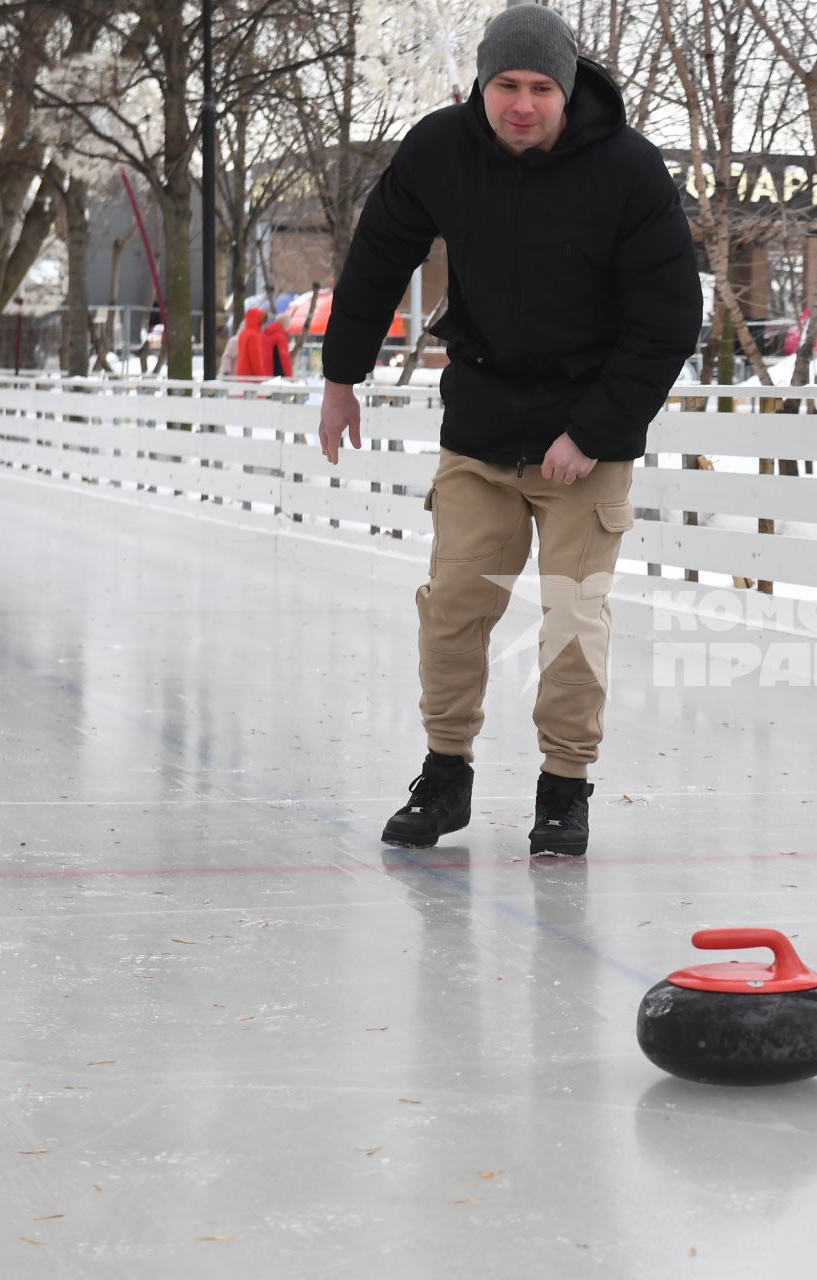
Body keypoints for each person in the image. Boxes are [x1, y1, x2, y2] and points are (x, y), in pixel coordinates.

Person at [315, 0, 702, 857]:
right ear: (479, 87)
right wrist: (342, 377)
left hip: (584, 440)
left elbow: (669, 319)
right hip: (482, 427)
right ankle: (445, 776)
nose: (520, 104)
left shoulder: (629, 171)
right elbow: (379, 255)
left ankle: (564, 791)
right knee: (453, 607)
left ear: (567, 92)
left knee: (571, 619)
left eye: (538, 88)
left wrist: (594, 432)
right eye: (504, 86)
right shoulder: (439, 151)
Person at [230, 307, 291, 379]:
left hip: (242, 374)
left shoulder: (244, 334)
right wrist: (261, 377)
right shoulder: (255, 336)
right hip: (252, 377)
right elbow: (256, 359)